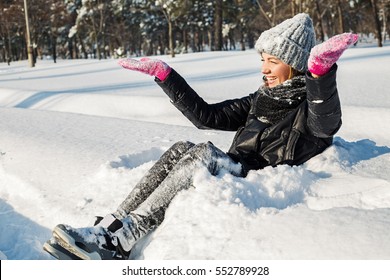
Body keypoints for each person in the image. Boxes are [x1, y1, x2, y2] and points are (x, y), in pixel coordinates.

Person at [43, 13, 358, 260]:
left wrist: (322, 72)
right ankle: (113, 225)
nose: (264, 68)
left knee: (204, 153)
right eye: (262, 59)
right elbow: (208, 117)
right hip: (236, 165)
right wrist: (165, 75)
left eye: (273, 61)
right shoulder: (261, 97)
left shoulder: (309, 109)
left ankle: (125, 239)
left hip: (259, 179)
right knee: (183, 147)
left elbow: (327, 123)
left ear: (295, 65)